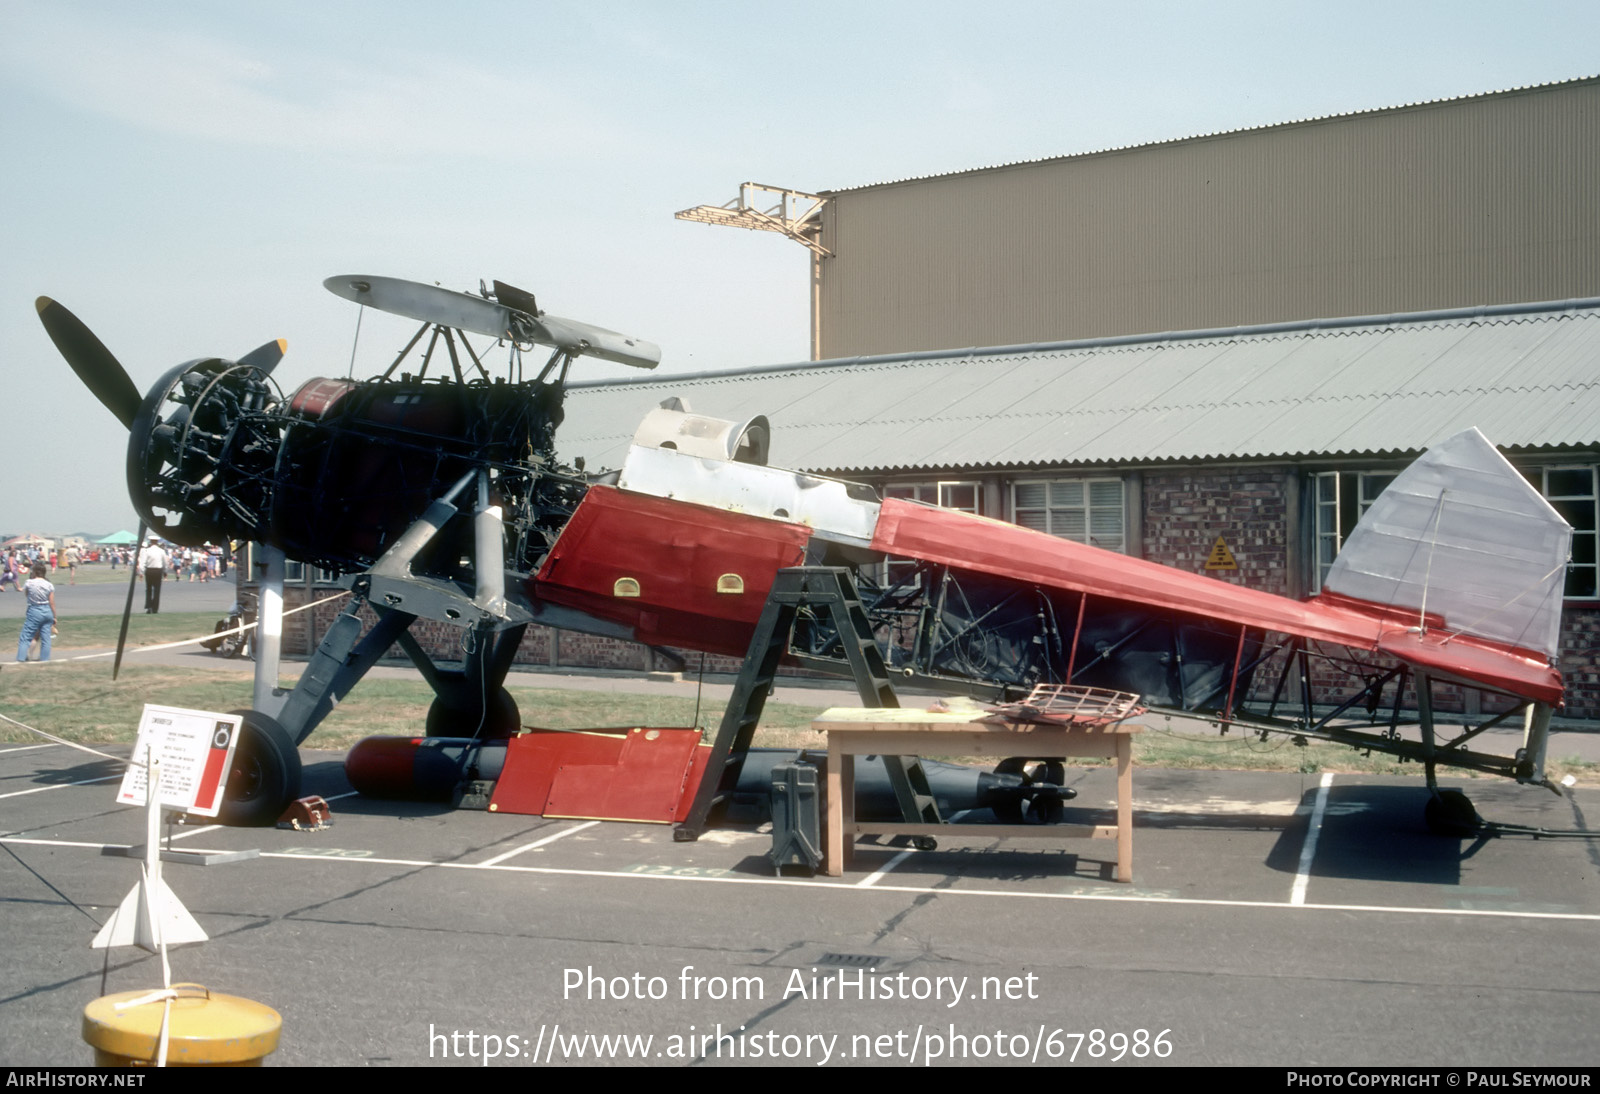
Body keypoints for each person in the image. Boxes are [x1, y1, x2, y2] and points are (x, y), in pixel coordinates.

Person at [17, 563, 56, 662]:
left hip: (35, 609)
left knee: (25, 636)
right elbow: (51, 602)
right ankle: (45, 658)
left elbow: (27, 595)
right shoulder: (49, 584)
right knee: (46, 638)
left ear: (35, 572)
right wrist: (54, 616)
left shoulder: (29, 582)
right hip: (47, 610)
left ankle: (21, 658)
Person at [139, 538, 168, 614]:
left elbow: (142, 562)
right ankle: (155, 608)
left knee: (148, 589)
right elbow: (165, 562)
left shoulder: (146, 551)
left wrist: (141, 572)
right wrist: (165, 571)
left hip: (149, 570)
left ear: (151, 542)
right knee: (157, 590)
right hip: (158, 571)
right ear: (157, 542)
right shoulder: (161, 551)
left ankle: (149, 607)